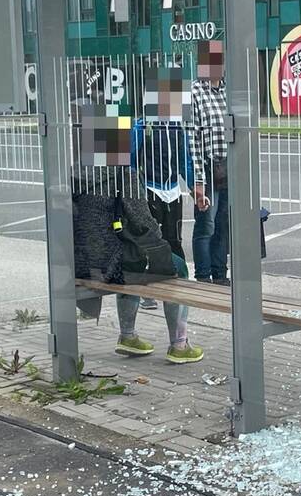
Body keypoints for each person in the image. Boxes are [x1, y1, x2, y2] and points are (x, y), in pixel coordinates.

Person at [73, 156, 203, 366]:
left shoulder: (76, 173)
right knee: (176, 267)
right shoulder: (125, 173)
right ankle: (179, 345)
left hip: (84, 262)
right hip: (113, 263)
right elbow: (141, 219)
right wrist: (159, 244)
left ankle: (128, 336)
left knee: (133, 265)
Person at [131, 67, 195, 309]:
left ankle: (178, 280)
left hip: (172, 192)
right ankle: (148, 290)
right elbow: (130, 160)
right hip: (149, 189)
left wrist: (194, 187)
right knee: (150, 241)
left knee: (174, 239)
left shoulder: (178, 127)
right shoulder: (142, 125)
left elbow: (184, 160)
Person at [190, 40, 231, 286]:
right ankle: (203, 276)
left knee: (224, 224)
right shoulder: (194, 92)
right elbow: (192, 139)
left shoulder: (228, 90)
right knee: (207, 224)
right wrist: (198, 180)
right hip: (207, 165)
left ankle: (220, 274)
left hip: (228, 166)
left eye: (219, 60)